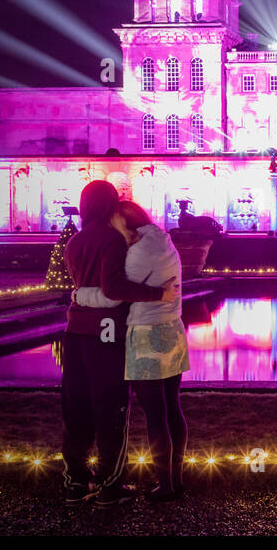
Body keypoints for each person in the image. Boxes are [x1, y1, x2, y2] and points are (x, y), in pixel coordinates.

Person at [61, 180, 179, 507]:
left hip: (75, 329)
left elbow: (83, 284)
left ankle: (75, 482)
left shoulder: (74, 241)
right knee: (111, 406)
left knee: (77, 406)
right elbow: (114, 289)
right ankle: (111, 486)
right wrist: (158, 294)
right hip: (107, 329)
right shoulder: (113, 240)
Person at [112, 200, 189, 501]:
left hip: (147, 333)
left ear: (126, 224)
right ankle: (176, 480)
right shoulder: (164, 240)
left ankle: (166, 486)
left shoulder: (139, 250)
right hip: (173, 329)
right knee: (172, 408)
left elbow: (117, 288)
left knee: (155, 414)